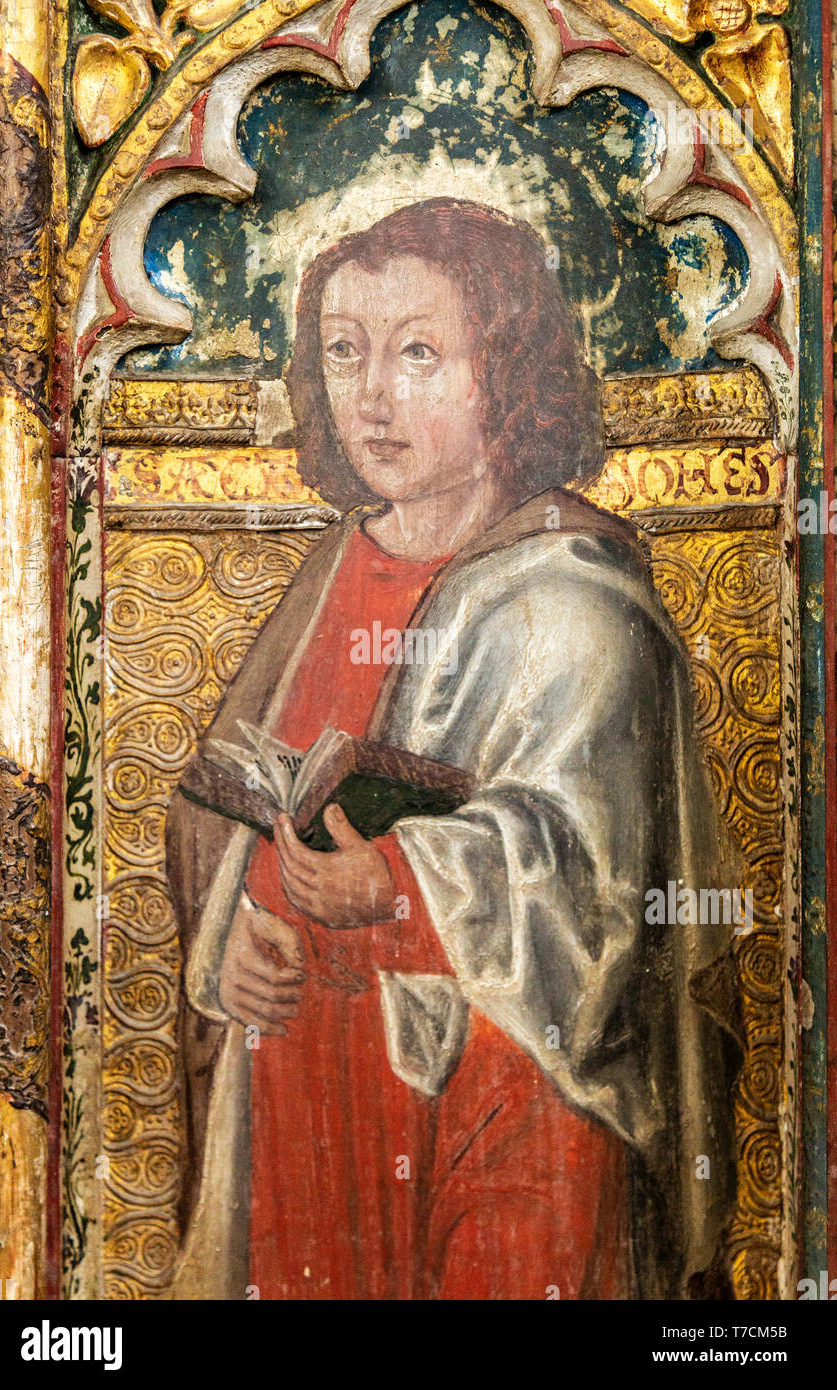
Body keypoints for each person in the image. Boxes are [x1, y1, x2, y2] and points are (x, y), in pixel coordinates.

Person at [165, 197, 741, 1300]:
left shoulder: (575, 600)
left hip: (502, 1108)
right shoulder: (331, 570)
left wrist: (390, 885)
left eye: (418, 352)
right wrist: (231, 926)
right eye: (344, 351)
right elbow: (221, 801)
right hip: (305, 1093)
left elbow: (596, 884)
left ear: (506, 371)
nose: (371, 396)